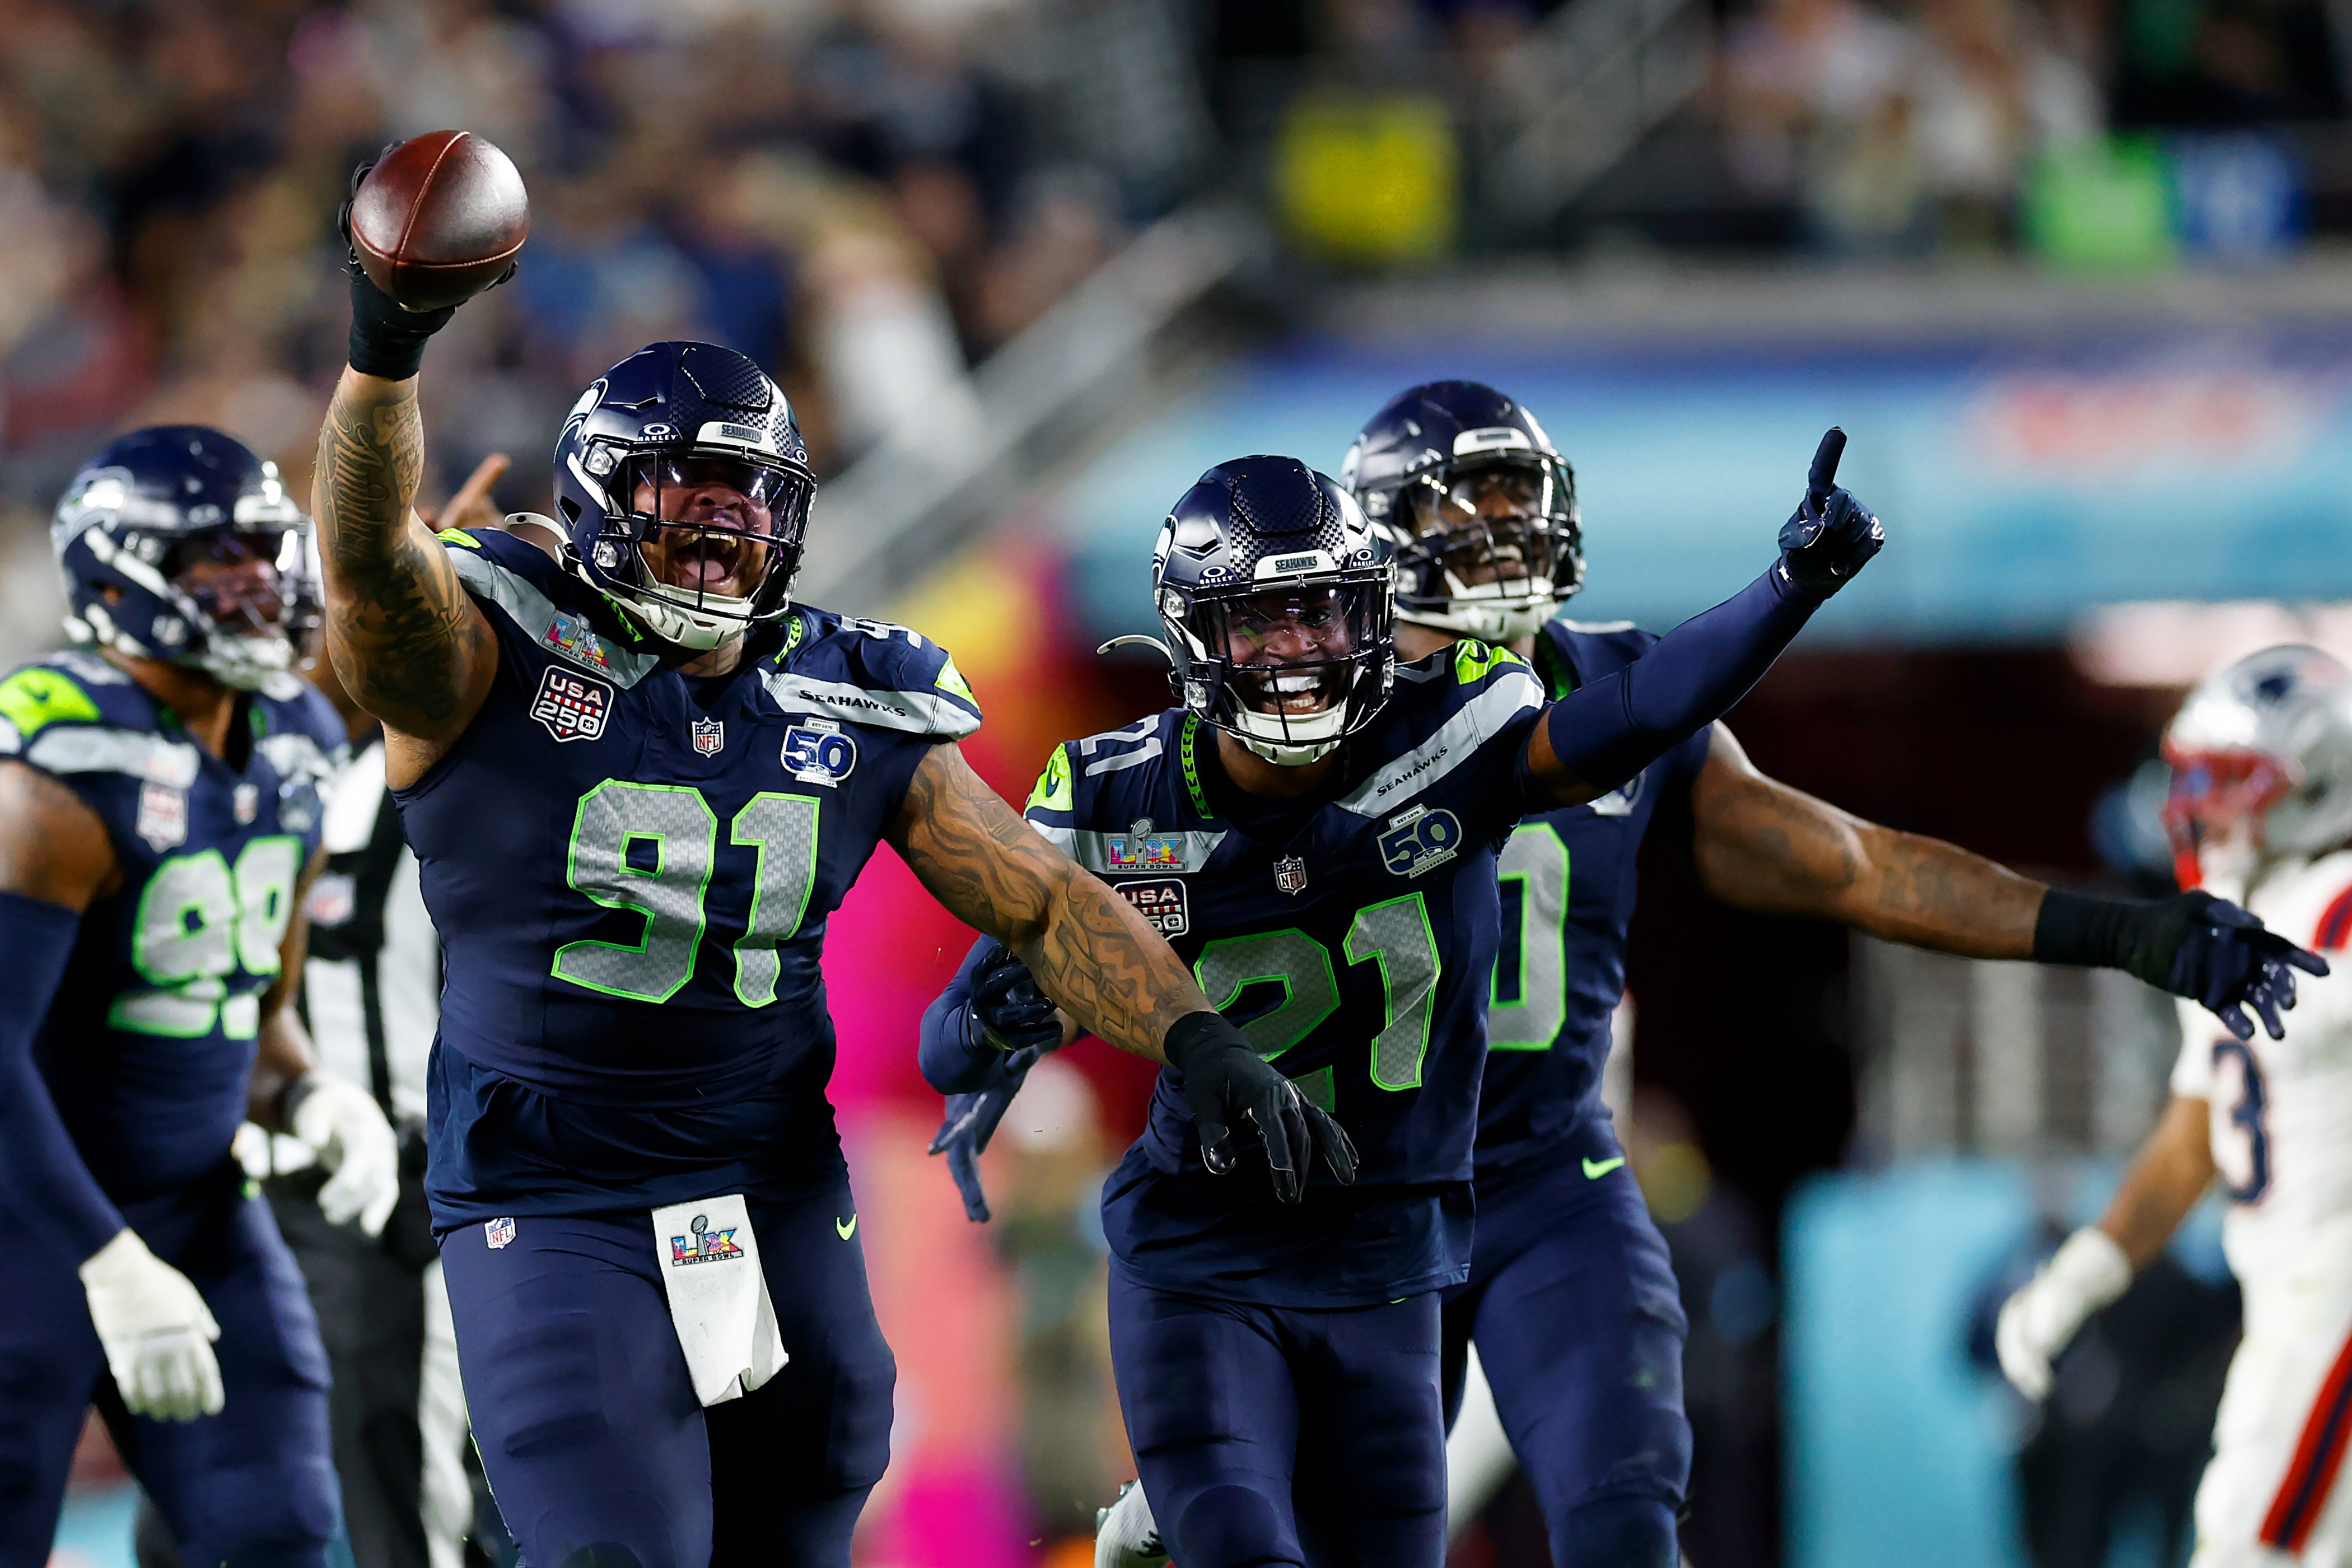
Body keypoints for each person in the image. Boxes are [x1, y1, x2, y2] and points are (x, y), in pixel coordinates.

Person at [1023, 382, 2317, 1568]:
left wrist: (2132, 934)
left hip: (1540, 1181)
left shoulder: (1613, 684)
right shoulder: (1296, 723)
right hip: (1336, 1202)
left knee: (1624, 1510)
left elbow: (1854, 865)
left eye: (1518, 501)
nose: (1501, 532)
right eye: (1463, 507)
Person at [312, 195, 1336, 1568]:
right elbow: (370, 566)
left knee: (811, 1512)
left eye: (754, 497)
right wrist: (386, 351)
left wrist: (1199, 1039)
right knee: (616, 1544)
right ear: (607, 497)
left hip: (773, 1184)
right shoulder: (496, 647)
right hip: (553, 1192)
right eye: (691, 494)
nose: (726, 529)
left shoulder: (852, 691)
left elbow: (1035, 895)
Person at [921, 442, 1884, 1568]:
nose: (1298, 652)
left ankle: (1161, 1529)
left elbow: (1635, 711)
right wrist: (996, 1019)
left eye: (1321, 614)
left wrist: (1789, 589)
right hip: (1206, 1243)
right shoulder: (1108, 792)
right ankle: (1184, 1519)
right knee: (1244, 1540)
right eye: (1262, 621)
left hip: (1386, 1249)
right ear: (1196, 633)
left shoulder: (1449, 729)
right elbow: (955, 1030)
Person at [0, 427, 400, 1568]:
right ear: (122, 576)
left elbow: (247, 997)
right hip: (28, 1219)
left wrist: (310, 1091)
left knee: (274, 1528)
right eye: (209, 560)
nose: (255, 582)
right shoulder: (56, 765)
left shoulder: (297, 741)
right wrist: (102, 1255)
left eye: (263, 550)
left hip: (197, 1204)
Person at [2000, 645, 2352, 1568]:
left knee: (2251, 1551)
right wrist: (2088, 1270)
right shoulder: (2242, 918)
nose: (2201, 804)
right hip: (2285, 1299)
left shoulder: (2339, 907)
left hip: (2338, 1292)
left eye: (2232, 780)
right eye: (2194, 775)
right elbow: (2198, 1127)